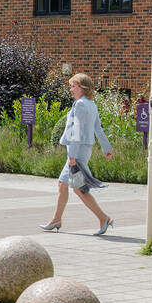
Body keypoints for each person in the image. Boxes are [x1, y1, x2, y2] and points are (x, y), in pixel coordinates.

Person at [40, 73, 115, 235]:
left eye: (73, 86)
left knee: (79, 188)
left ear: (82, 87)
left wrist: (72, 156)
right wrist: (106, 148)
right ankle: (56, 219)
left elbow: (77, 131)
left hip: (78, 150)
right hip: (83, 149)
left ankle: (103, 218)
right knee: (64, 184)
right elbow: (98, 129)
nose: (71, 89)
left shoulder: (80, 105)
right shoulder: (91, 104)